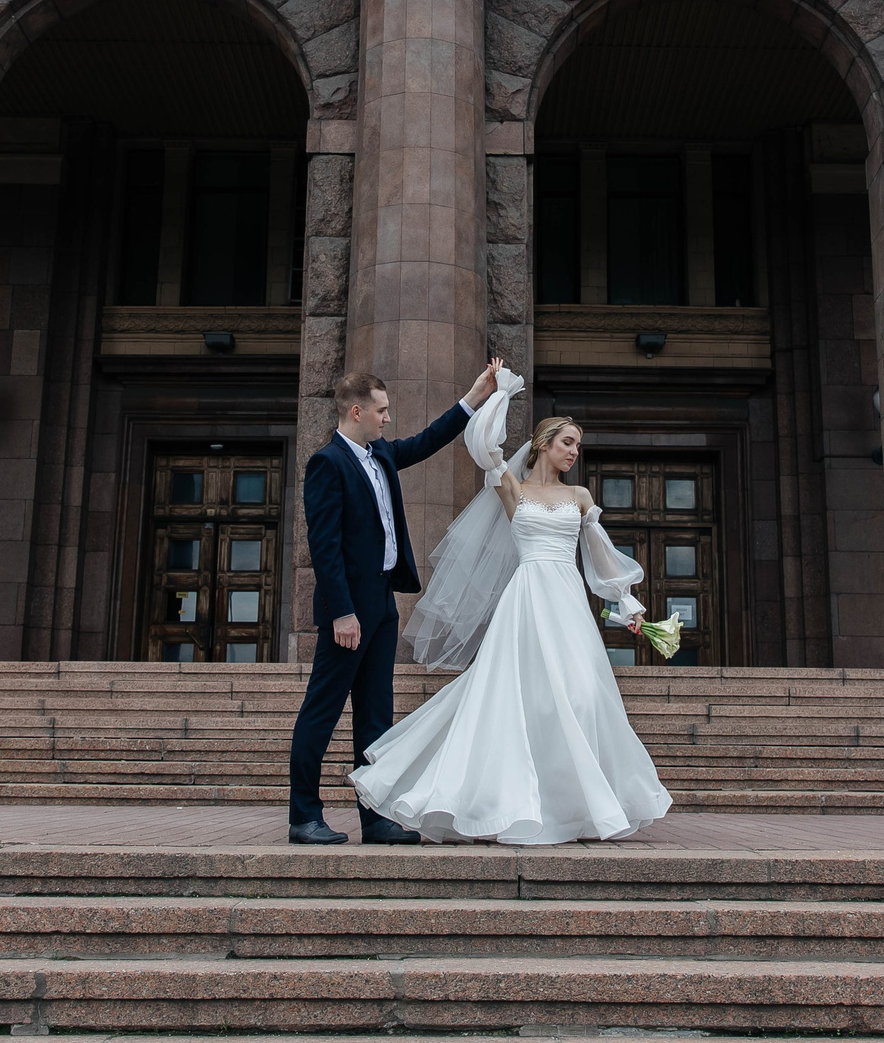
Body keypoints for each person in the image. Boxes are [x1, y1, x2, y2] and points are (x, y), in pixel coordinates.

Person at [349, 373, 674, 846]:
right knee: (517, 697)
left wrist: (627, 604)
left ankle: (575, 806)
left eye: (578, 445)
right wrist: (501, 392)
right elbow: (483, 443)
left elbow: (602, 558)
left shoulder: (580, 497)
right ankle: (506, 803)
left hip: (567, 602)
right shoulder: (511, 488)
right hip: (526, 600)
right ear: (543, 444)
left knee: (583, 694)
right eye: (567, 442)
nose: (574, 452)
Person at [287, 359, 500, 846]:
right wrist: (342, 612)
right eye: (381, 410)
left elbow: (426, 441)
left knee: (376, 716)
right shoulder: (328, 463)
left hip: (382, 603)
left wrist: (476, 395)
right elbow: (324, 547)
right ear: (356, 411)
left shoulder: (380, 454)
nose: (388, 418)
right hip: (348, 611)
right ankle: (304, 817)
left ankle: (376, 818)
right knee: (321, 711)